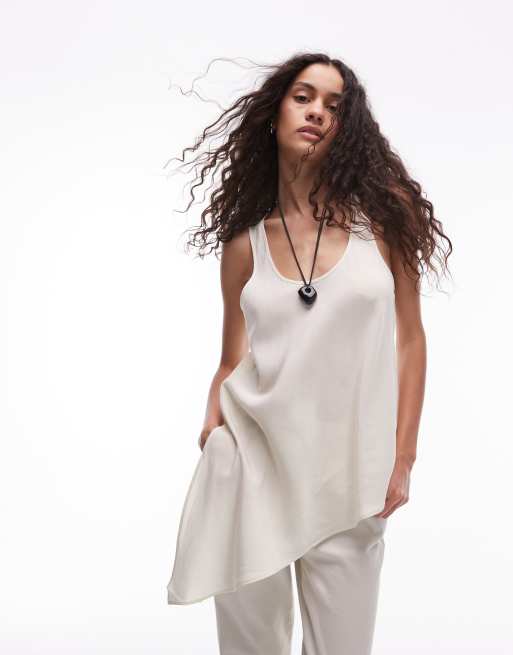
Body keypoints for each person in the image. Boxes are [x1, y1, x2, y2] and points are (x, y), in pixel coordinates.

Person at [165, 52, 452, 654]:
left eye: (333, 105)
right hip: (249, 473)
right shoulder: (245, 244)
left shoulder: (385, 223)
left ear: (348, 129)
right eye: (304, 96)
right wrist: (214, 431)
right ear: (275, 114)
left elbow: (410, 338)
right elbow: (232, 358)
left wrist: (402, 456)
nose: (317, 111)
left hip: (347, 476)